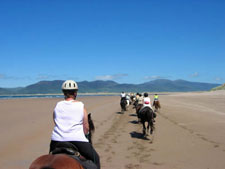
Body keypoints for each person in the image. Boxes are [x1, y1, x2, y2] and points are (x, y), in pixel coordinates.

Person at [49, 80, 100, 169]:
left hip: (56, 140)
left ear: (63, 93)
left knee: (49, 159)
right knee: (96, 159)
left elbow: (55, 120)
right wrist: (85, 134)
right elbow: (86, 126)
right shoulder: (80, 105)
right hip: (77, 140)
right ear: (75, 93)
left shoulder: (58, 105)